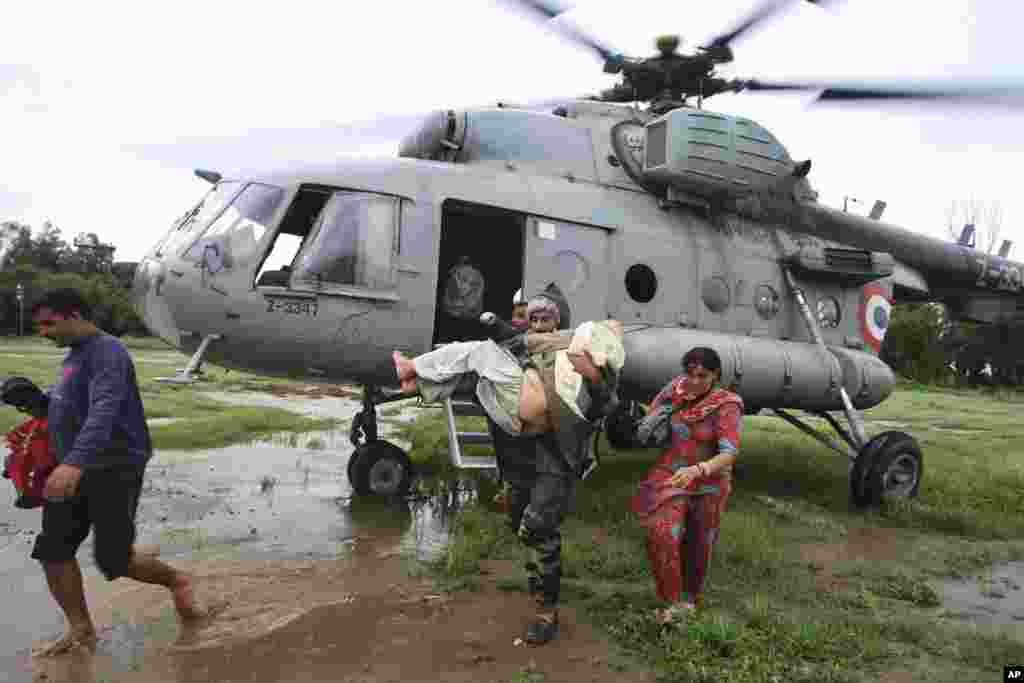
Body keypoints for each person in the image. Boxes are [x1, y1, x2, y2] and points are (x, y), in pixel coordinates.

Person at [393, 315, 624, 645]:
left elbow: (607, 404)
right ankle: (538, 586)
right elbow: (486, 369)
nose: (540, 319)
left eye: (547, 314)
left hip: (555, 458)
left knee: (538, 526)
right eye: (535, 315)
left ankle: (546, 611)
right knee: (520, 523)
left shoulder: (590, 357)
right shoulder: (527, 348)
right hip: (518, 454)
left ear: (562, 319)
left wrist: (596, 378)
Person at [27, 288, 210, 656]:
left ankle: (177, 580)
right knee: (53, 549)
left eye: (49, 323)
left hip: (114, 467)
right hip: (71, 468)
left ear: (75, 315)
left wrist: (75, 462)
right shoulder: (75, 356)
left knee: (114, 560)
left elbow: (104, 411)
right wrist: (35, 402)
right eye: (39, 326)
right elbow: (68, 406)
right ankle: (81, 631)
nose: (43, 332)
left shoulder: (109, 352)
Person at [630, 347, 743, 624]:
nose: (693, 381)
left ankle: (689, 600)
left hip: (709, 482)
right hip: (670, 473)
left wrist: (698, 470)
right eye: (689, 374)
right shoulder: (674, 390)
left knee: (699, 544)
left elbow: (729, 453)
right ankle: (671, 601)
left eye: (702, 375)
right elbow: (651, 418)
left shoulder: (727, 403)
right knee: (663, 532)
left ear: (715, 375)